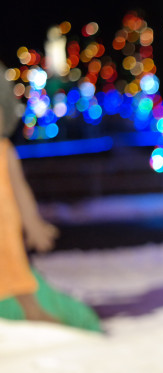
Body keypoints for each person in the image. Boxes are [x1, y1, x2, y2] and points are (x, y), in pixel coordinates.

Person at [0, 62, 101, 332]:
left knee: (16, 278)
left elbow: (19, 189)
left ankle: (44, 318)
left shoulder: (4, 149)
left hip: (4, 226)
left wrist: (33, 224)